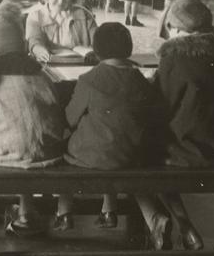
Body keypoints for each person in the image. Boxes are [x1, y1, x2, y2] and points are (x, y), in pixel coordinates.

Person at [137, 0, 214, 251]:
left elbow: (162, 106)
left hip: (187, 150)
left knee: (138, 154)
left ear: (174, 29)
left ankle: (181, 224)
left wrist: (151, 82)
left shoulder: (173, 57)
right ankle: (185, 230)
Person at [55, 22, 158, 231]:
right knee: (111, 140)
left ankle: (64, 212)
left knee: (66, 152)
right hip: (132, 154)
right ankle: (109, 210)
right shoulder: (141, 80)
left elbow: (70, 118)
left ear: (97, 50)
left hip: (91, 156)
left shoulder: (89, 79)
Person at [0, 13, 65, 234]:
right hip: (47, 152)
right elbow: (55, 107)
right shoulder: (42, 74)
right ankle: (25, 210)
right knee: (24, 134)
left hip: (6, 155)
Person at [25, 0, 98, 63]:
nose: (60, 2)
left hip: (81, 66)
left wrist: (93, 52)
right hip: (47, 65)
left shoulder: (85, 15)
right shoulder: (36, 16)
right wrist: (38, 49)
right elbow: (34, 40)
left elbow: (98, 42)